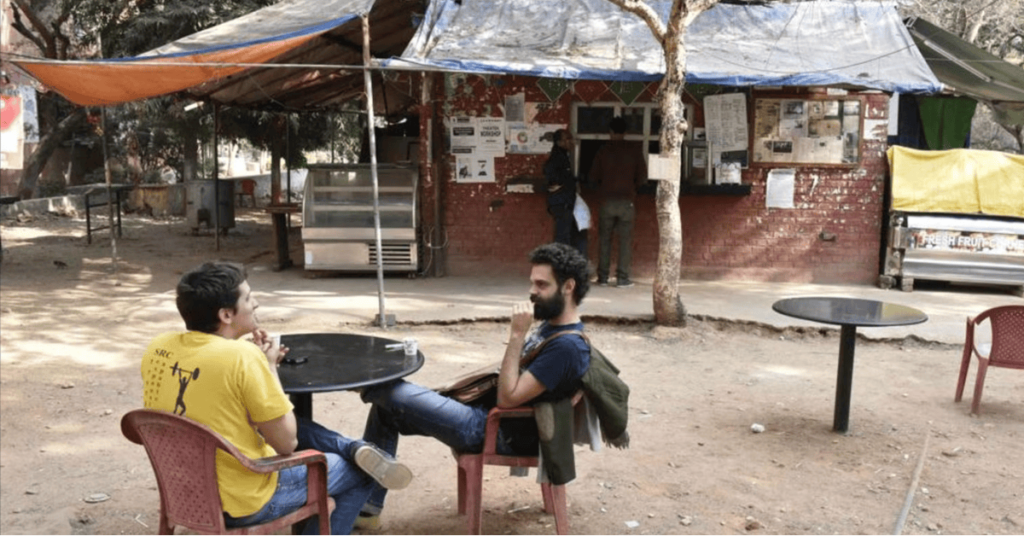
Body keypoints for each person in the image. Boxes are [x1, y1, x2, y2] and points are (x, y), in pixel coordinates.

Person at [140, 261, 413, 534]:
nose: (255, 303)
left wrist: (255, 365)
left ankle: (352, 447)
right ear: (226, 314)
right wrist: (268, 368)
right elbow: (286, 443)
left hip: (183, 490)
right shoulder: (241, 357)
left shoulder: (158, 347)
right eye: (248, 298)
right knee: (362, 472)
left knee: (292, 430)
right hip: (242, 500)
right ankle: (354, 453)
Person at [355, 242, 592, 527]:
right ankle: (368, 511)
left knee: (391, 390)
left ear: (568, 287)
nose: (532, 292)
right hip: (483, 414)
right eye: (532, 283)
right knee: (385, 410)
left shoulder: (566, 347)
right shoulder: (553, 327)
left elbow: (508, 399)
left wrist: (517, 335)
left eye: (541, 285)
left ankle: (356, 385)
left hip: (496, 430)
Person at [589, 117, 648, 288]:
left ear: (610, 131)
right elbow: (642, 177)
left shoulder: (603, 150)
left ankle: (603, 277)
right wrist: (632, 187)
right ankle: (622, 278)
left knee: (605, 240)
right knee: (625, 241)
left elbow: (593, 176)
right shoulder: (634, 150)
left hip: (607, 200)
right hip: (627, 201)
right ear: (625, 132)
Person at [543, 129, 588, 258]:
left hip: (565, 202)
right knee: (562, 238)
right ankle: (560, 267)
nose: (571, 142)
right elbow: (553, 178)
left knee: (570, 236)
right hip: (562, 203)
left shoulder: (564, 156)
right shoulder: (557, 158)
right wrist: (570, 182)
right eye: (567, 139)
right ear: (559, 142)